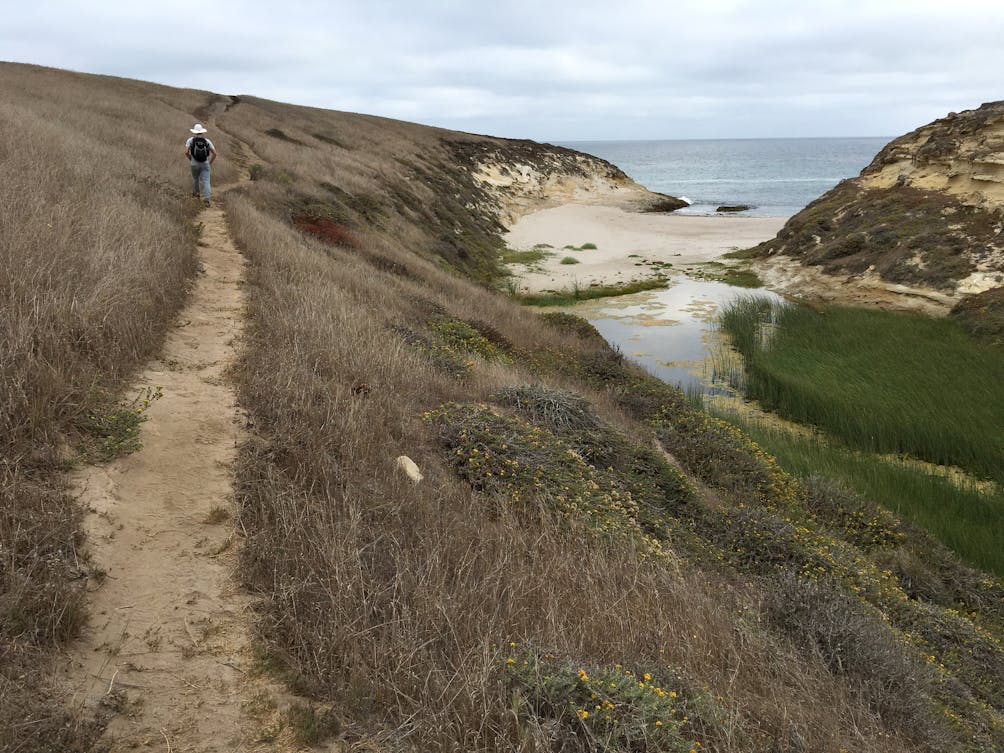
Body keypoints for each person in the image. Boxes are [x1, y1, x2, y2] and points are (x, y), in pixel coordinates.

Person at [185, 124, 217, 207]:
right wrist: (210, 163)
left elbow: (186, 152)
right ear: (202, 132)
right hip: (205, 163)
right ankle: (207, 200)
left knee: (195, 179)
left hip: (194, 163)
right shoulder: (207, 141)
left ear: (194, 132)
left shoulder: (190, 140)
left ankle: (197, 194)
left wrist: (191, 159)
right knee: (206, 181)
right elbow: (215, 154)